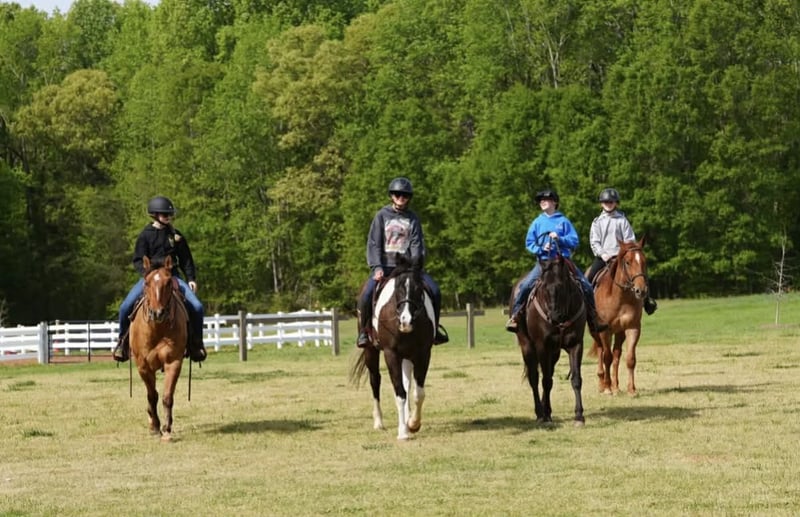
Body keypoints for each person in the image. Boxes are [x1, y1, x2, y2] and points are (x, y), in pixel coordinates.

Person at [112, 196, 207, 363]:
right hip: (150, 278)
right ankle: (122, 343)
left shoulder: (176, 236)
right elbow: (138, 259)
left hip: (172, 276)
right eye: (164, 214)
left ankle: (196, 344)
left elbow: (186, 259)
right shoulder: (145, 235)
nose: (168, 217)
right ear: (155, 215)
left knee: (197, 307)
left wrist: (191, 278)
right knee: (125, 307)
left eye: (169, 214)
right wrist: (147, 274)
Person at [356, 177, 448, 348]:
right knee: (366, 294)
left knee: (435, 291)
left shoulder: (412, 218)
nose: (401, 198)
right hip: (385, 267)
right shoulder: (381, 216)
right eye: (397, 194)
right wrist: (376, 267)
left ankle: (435, 330)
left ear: (409, 198)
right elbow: (374, 243)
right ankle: (364, 331)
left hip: (408, 268)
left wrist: (415, 266)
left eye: (404, 195)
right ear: (392, 196)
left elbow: (417, 244)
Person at [505, 189, 607, 334]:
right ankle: (515, 316)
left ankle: (594, 318)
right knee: (526, 285)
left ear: (554, 202)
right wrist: (541, 248)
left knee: (586, 285)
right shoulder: (537, 222)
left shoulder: (563, 221)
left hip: (563, 262)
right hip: (544, 263)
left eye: (546, 199)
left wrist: (560, 239)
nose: (542, 202)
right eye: (541, 200)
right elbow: (529, 243)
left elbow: (574, 241)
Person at [587, 187, 658, 315]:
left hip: (622, 257)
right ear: (601, 203)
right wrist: (603, 254)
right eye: (606, 202)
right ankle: (587, 307)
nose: (609, 204)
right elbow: (594, 242)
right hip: (604, 257)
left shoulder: (622, 220)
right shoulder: (597, 222)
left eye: (611, 202)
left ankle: (647, 301)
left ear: (616, 203)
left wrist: (626, 253)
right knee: (588, 278)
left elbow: (629, 240)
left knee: (641, 273)